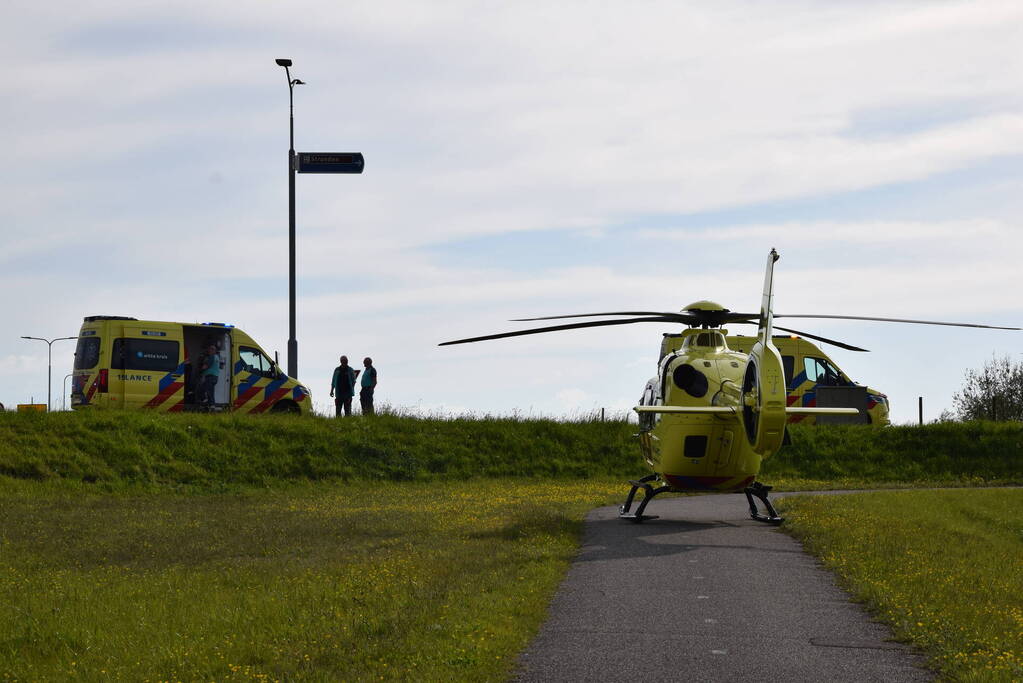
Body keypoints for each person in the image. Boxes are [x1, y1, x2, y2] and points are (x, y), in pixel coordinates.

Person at [199, 343, 221, 408]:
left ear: (213, 350)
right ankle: (209, 405)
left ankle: (211, 406)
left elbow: (206, 366)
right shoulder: (217, 357)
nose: (209, 351)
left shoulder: (211, 357)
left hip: (210, 376)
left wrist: (200, 370)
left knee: (206, 390)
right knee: (210, 391)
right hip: (215, 377)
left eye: (210, 350)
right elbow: (220, 366)